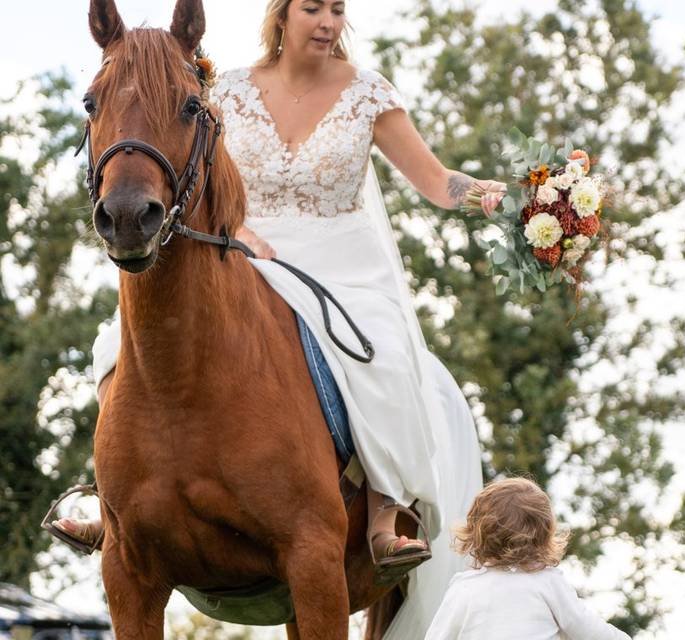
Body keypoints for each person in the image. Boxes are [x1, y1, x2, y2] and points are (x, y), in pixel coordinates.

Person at [53, 0, 504, 626]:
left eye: (337, 9)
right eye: (312, 7)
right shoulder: (229, 89)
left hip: (343, 265)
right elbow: (193, 162)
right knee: (116, 342)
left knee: (387, 352)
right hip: (247, 248)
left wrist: (500, 198)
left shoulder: (369, 94)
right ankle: (114, 504)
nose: (326, 20)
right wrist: (238, 229)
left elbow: (434, 181)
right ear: (282, 16)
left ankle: (383, 511)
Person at [424, 477, 631, 640]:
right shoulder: (548, 582)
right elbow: (590, 632)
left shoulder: (464, 587)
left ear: (476, 533)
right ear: (545, 535)